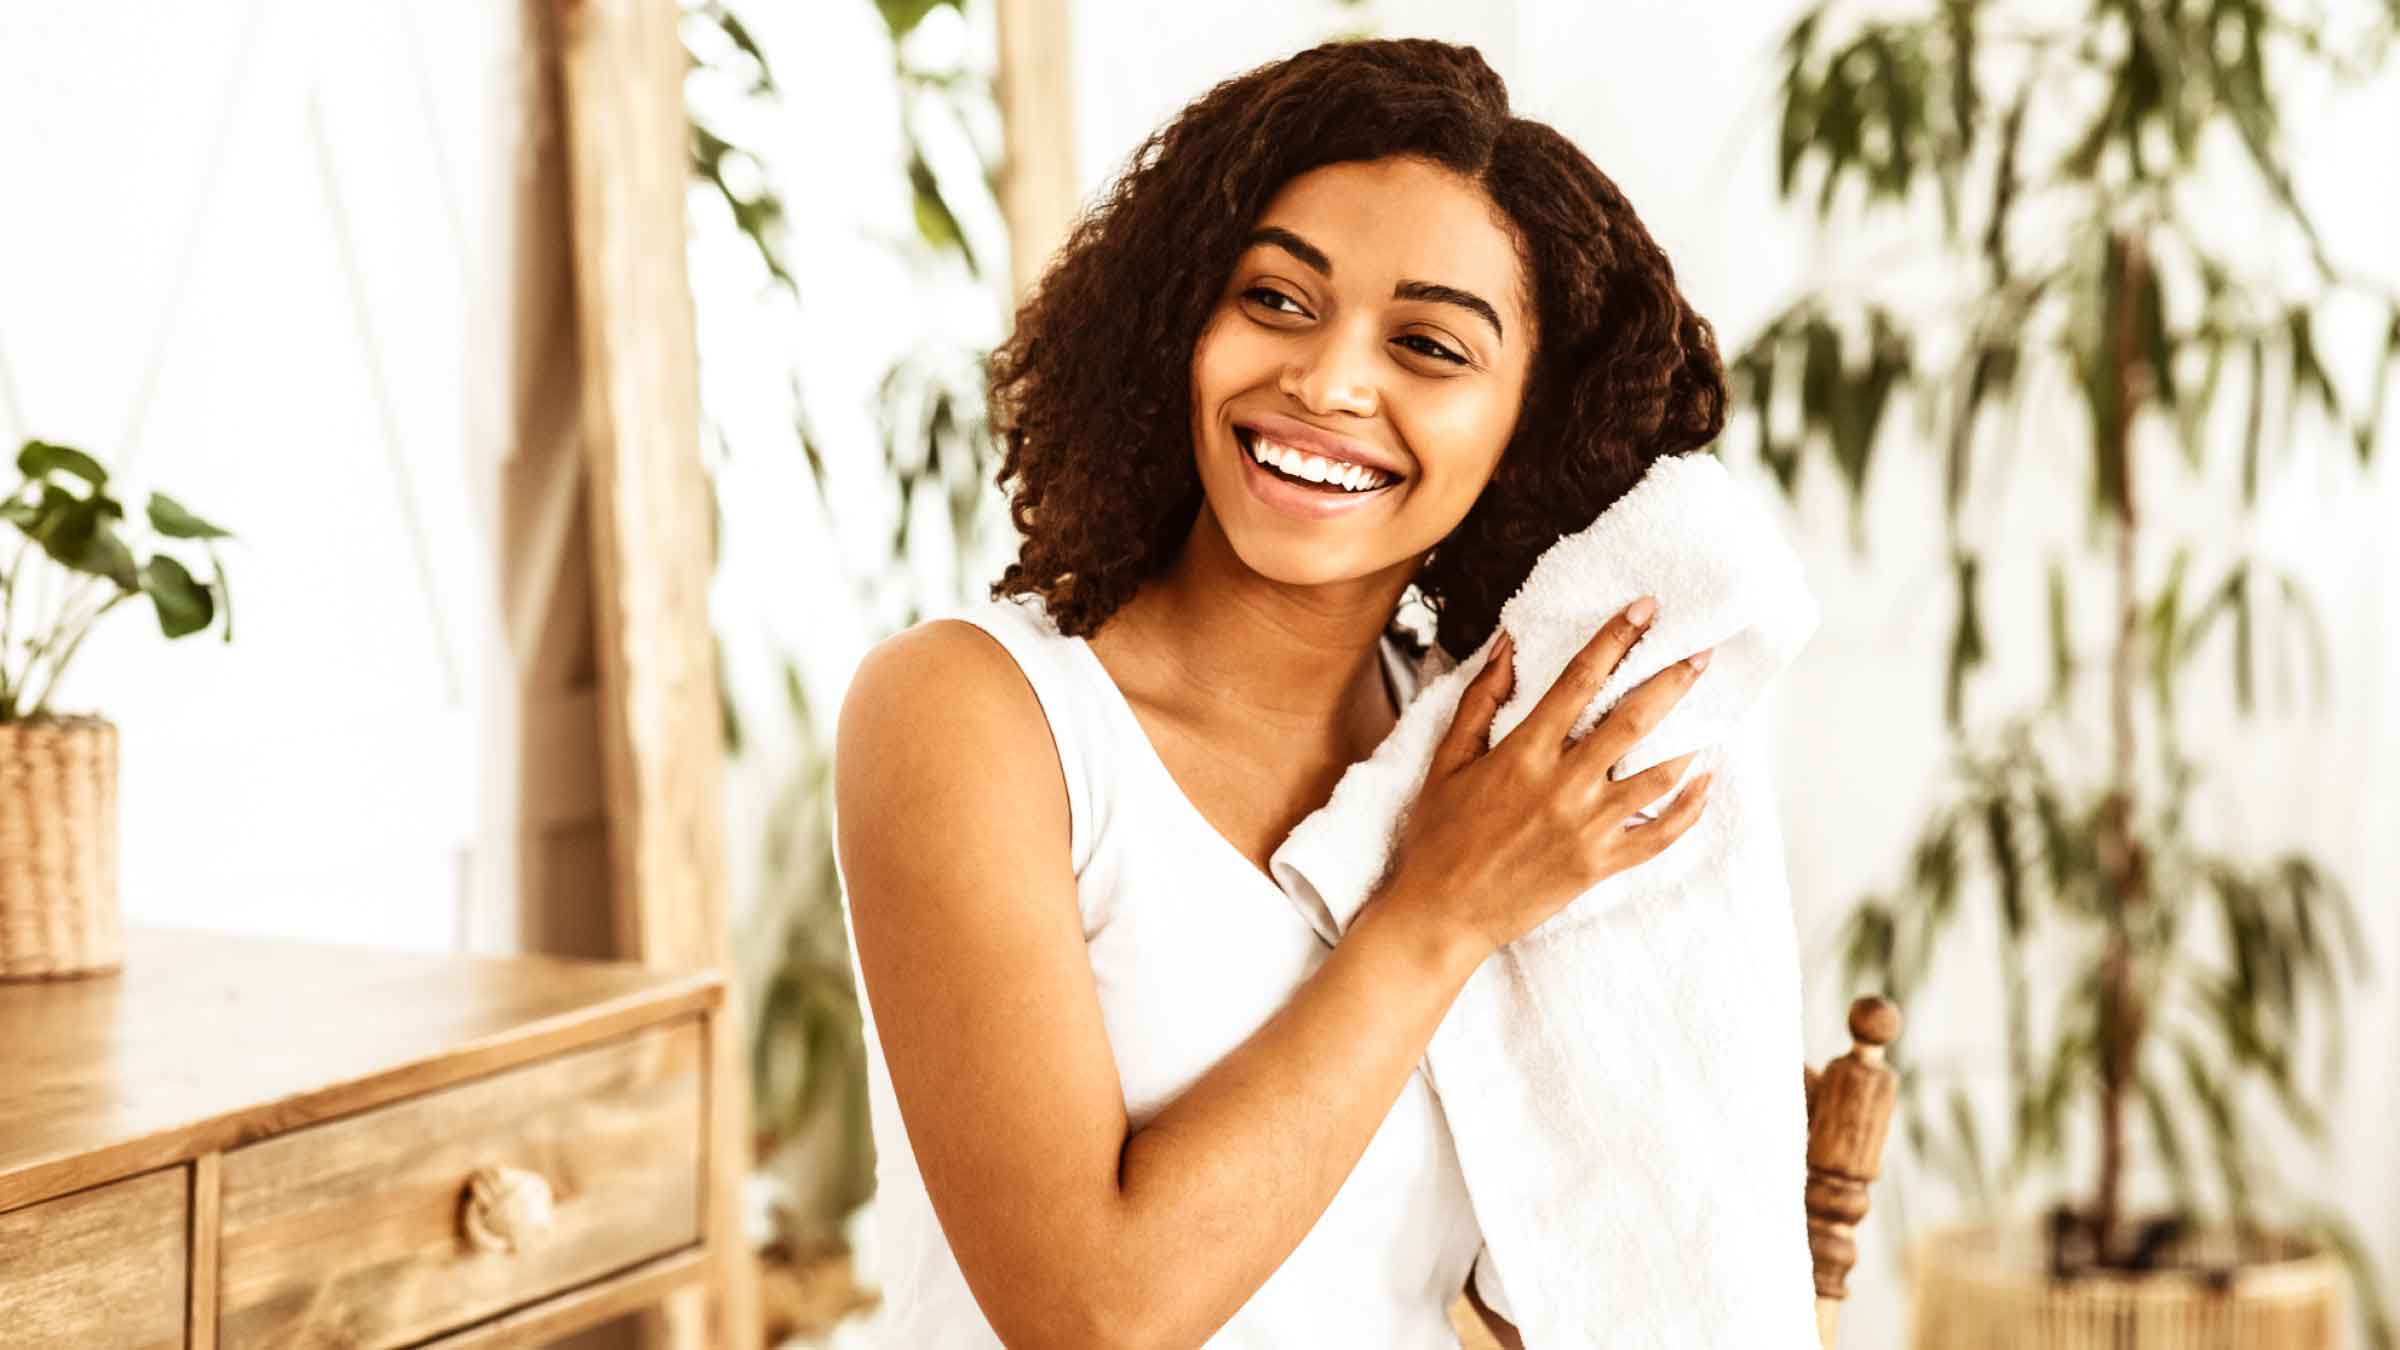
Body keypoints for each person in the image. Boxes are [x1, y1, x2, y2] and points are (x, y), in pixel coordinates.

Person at [835, 35, 1728, 1348]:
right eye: (1277, 298)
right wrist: (1435, 913)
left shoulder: (1476, 760)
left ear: (1527, 427)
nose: (1326, 381)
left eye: (1428, 343)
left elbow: (1540, 1273)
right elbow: (1092, 1312)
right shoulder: (975, 717)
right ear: (1180, 319)